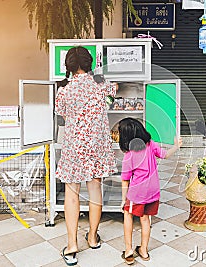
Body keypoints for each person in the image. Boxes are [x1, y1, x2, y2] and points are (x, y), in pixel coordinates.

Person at [55, 46, 118, 266]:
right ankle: (92, 238)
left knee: (72, 193)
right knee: (95, 190)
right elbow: (115, 89)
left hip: (74, 146)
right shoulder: (100, 83)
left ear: (70, 66)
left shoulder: (64, 90)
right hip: (97, 145)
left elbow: (61, 114)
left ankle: (72, 245)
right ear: (89, 64)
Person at [118, 117, 182, 265]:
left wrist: (123, 200)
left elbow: (125, 180)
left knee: (128, 215)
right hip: (153, 191)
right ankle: (144, 251)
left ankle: (128, 250)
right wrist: (176, 146)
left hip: (137, 193)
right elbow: (165, 155)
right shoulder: (150, 144)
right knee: (145, 219)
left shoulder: (129, 156)